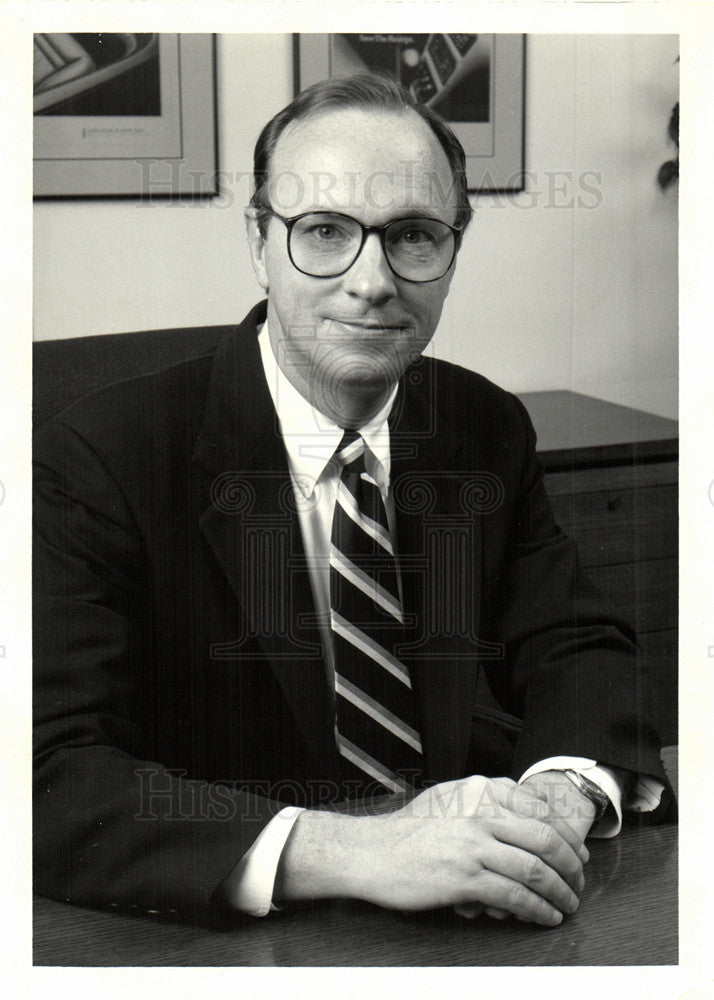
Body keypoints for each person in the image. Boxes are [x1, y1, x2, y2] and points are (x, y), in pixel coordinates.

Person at [33, 74, 672, 931]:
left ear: (452, 252)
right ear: (258, 243)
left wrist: (564, 788)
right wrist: (358, 850)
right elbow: (46, 770)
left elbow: (576, 642)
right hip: (217, 932)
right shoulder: (100, 455)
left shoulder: (480, 424)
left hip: (471, 914)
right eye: (324, 232)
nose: (372, 281)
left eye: (411, 235)